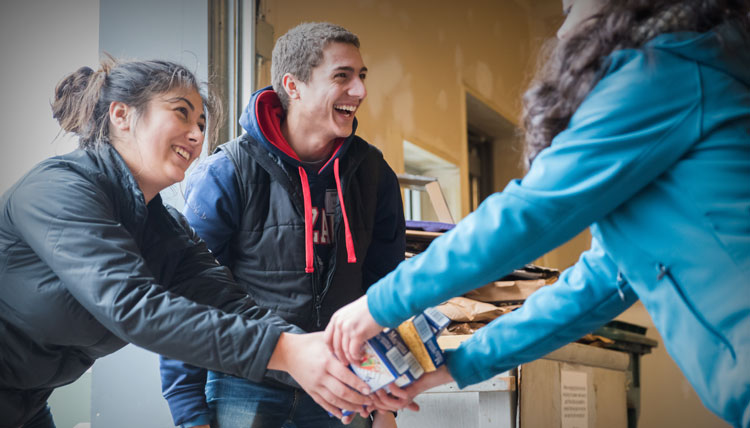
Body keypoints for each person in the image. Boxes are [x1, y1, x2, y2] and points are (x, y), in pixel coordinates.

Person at [325, 0, 750, 426]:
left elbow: (527, 214)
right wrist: (455, 367)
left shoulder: (662, 75)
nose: (562, 34)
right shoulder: (684, 74)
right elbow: (592, 289)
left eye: (568, 12)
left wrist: (379, 304)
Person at [0, 57, 374, 428]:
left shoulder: (165, 230)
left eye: (200, 123)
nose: (197, 136)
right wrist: (288, 352)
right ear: (121, 115)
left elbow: (234, 306)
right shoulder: (59, 189)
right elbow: (132, 306)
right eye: (181, 113)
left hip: (28, 402)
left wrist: (335, 362)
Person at [159, 23, 405, 428]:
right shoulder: (229, 171)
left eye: (361, 77)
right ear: (293, 85)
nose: (359, 91)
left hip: (344, 386)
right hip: (243, 382)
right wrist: (189, 414)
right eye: (341, 76)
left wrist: (385, 401)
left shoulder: (374, 174)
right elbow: (186, 294)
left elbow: (386, 292)